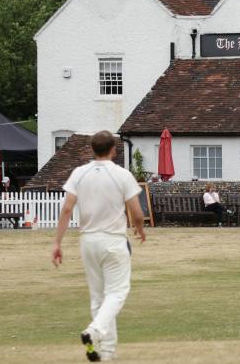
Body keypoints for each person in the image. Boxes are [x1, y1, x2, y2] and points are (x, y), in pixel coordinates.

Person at [51, 130, 146, 362]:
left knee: (98, 297)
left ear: (92, 149)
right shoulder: (121, 174)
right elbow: (137, 212)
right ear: (114, 149)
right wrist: (140, 229)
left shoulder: (79, 173)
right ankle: (94, 331)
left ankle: (106, 352)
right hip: (113, 240)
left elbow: (66, 209)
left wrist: (57, 242)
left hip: (88, 241)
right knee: (118, 292)